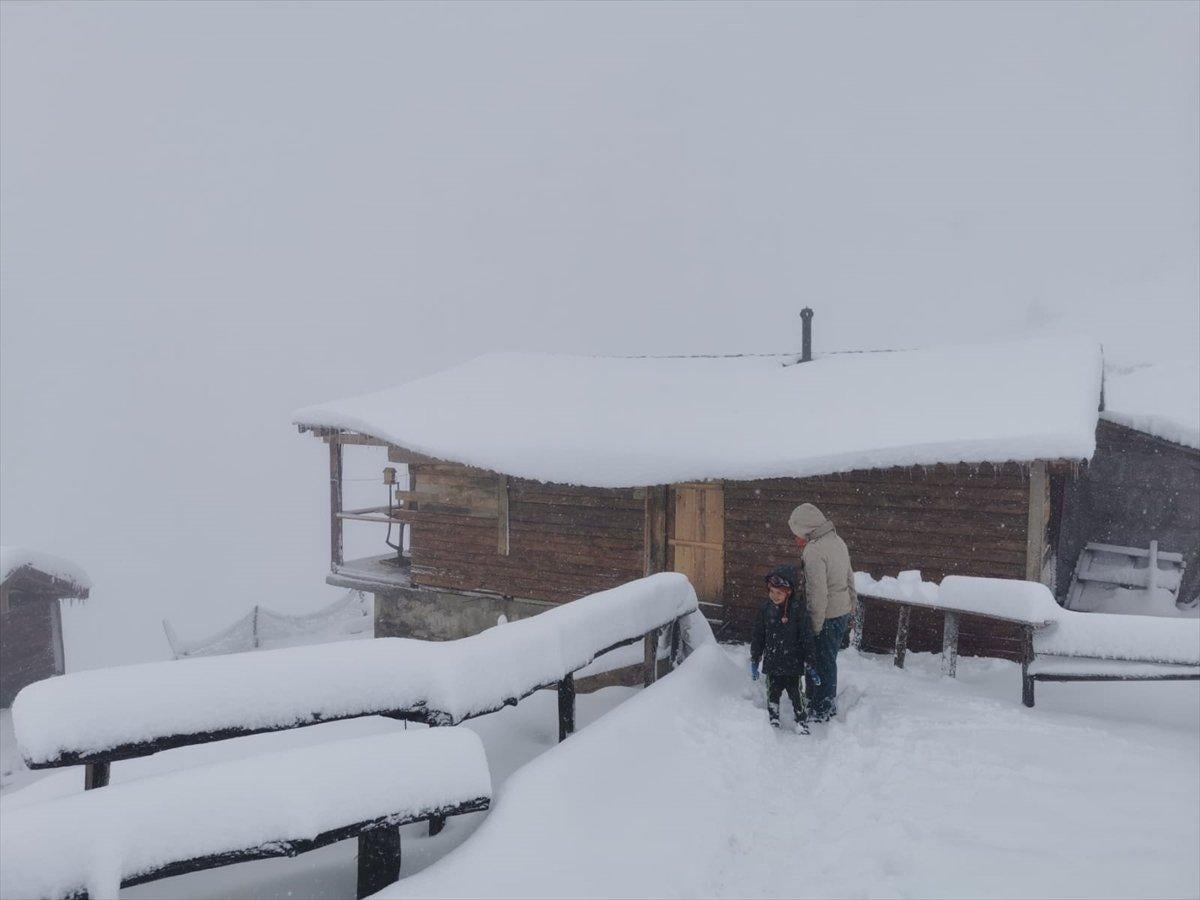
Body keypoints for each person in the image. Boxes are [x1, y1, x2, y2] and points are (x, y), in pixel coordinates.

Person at [788, 503, 856, 721]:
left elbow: (817, 593)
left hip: (825, 616)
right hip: (841, 611)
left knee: (820, 662)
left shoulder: (814, 550)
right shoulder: (837, 541)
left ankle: (821, 708)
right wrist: (851, 607)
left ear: (806, 529)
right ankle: (818, 702)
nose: (795, 539)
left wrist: (814, 627)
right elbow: (850, 577)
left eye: (796, 534)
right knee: (828, 660)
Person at [749, 564, 813, 733]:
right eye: (771, 592)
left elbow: (807, 637)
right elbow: (758, 636)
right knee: (773, 692)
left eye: (779, 593)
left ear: (788, 592)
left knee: (797, 695)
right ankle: (773, 715)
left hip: (793, 664)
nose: (774, 596)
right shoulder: (765, 609)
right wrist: (755, 658)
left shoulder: (798, 610)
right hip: (773, 662)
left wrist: (810, 662)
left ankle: (801, 720)